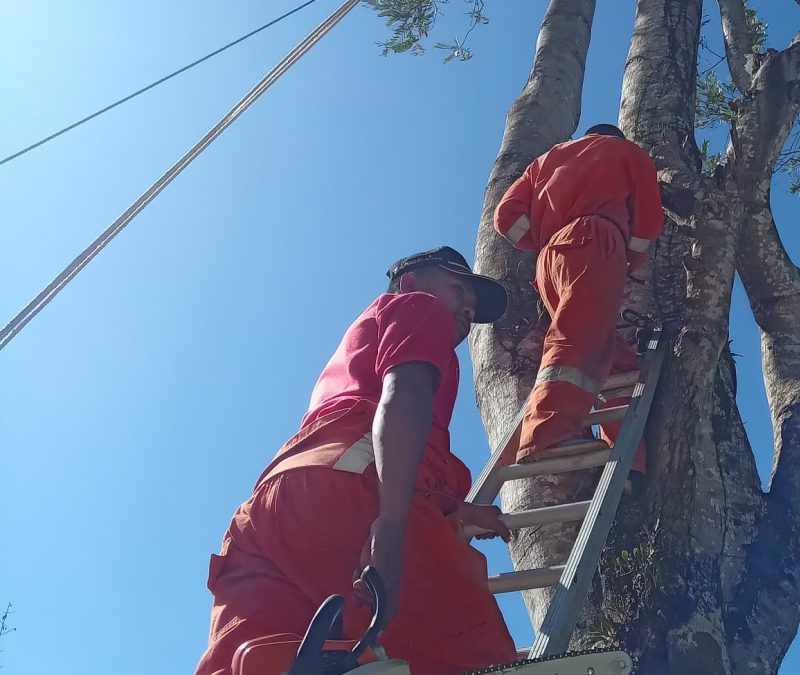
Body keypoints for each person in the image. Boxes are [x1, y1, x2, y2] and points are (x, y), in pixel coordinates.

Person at [195, 247, 518, 675]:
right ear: (410, 282)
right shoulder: (417, 307)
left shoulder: (355, 350)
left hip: (268, 515)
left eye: (472, 307)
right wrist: (390, 523)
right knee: (472, 657)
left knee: (262, 658)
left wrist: (458, 511)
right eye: (459, 289)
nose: (467, 307)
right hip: (353, 492)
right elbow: (403, 396)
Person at [493, 124, 663, 478]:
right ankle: (546, 432)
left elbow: (505, 217)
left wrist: (545, 239)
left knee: (603, 351)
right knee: (576, 337)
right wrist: (626, 261)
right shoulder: (628, 153)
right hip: (596, 241)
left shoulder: (544, 161)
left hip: (549, 259)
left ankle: (628, 462)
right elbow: (648, 224)